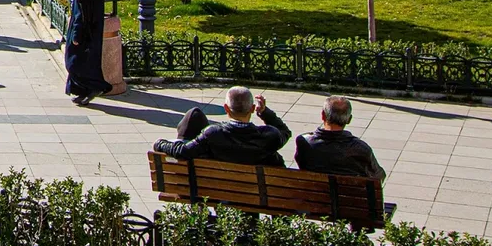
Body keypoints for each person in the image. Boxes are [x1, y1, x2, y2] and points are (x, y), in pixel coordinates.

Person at [153, 87, 291, 166]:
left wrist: (160, 144)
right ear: (252, 108)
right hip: (259, 194)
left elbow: (183, 151)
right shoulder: (269, 136)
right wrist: (265, 113)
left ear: (226, 108)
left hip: (222, 192)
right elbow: (285, 132)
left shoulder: (213, 134)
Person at [295, 96, 387, 181]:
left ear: (323, 115)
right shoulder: (361, 148)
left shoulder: (304, 142)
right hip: (349, 193)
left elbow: (302, 165)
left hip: (314, 192)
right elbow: (378, 177)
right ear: (349, 119)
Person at [63, 0, 113, 106]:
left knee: (73, 63)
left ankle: (95, 87)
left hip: (82, 34)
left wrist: (76, 36)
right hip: (93, 34)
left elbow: (80, 15)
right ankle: (82, 92)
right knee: (88, 63)